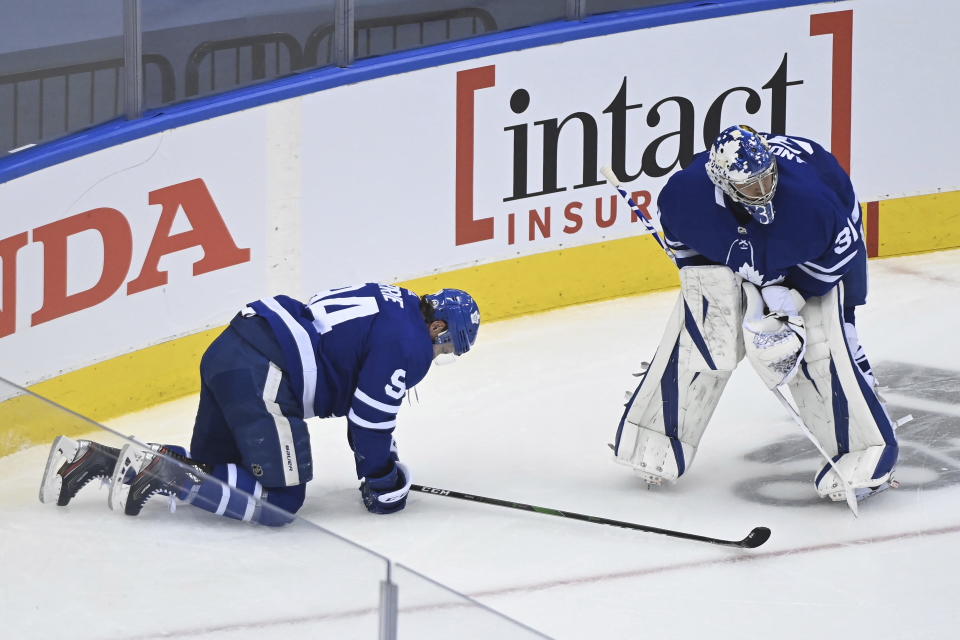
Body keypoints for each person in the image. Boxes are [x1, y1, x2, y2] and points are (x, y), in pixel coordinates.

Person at [611, 124, 899, 504]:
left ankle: (865, 448)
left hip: (813, 258)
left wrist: (794, 296)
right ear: (722, 182)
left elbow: (838, 258)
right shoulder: (684, 197)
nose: (764, 192)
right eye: (751, 186)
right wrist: (721, 282)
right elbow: (686, 251)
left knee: (824, 342)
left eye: (768, 179)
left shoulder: (815, 204)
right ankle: (657, 435)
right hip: (742, 248)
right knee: (706, 327)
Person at [40, 284, 480, 525]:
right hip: (265, 373)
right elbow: (367, 421)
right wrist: (383, 480)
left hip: (231, 352)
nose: (438, 355)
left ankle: (90, 460)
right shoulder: (410, 344)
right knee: (280, 499)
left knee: (218, 472)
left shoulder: (398, 300)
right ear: (438, 325)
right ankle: (164, 472)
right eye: (445, 346)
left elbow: (364, 402)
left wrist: (380, 462)